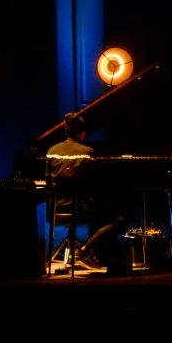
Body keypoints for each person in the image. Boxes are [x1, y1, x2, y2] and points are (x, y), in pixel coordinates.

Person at [46, 112, 123, 270]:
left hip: (55, 207)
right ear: (83, 132)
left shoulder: (52, 151)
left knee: (95, 209)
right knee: (117, 219)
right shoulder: (87, 152)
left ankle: (94, 256)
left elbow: (48, 181)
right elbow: (91, 181)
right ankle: (84, 251)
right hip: (78, 207)